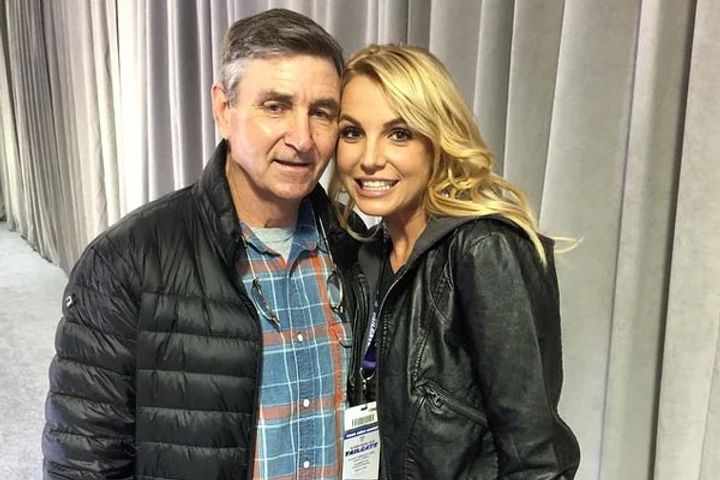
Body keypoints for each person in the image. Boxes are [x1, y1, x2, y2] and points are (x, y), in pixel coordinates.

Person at [42, 9, 363, 480]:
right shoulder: (127, 262)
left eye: (321, 112)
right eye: (275, 106)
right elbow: (83, 461)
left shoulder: (356, 248)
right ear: (223, 109)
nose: (302, 139)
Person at [331, 44, 581, 479]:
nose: (369, 158)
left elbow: (538, 459)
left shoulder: (484, 249)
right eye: (352, 132)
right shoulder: (366, 256)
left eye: (399, 133)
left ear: (438, 139)